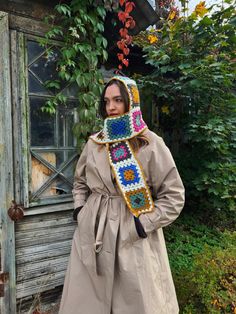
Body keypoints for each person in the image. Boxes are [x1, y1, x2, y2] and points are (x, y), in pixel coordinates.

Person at [59, 75, 185, 314]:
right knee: (87, 303)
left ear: (131, 102)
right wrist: (80, 211)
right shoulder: (95, 143)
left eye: (118, 100)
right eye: (107, 101)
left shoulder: (150, 143)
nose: (111, 107)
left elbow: (174, 196)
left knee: (136, 302)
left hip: (134, 236)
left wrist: (142, 224)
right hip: (93, 233)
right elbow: (79, 182)